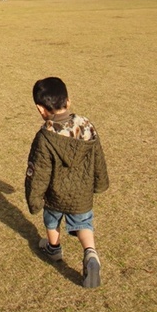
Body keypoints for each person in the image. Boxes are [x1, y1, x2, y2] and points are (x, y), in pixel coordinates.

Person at [25, 77, 109, 288]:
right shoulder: (87, 125)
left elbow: (38, 173)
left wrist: (34, 199)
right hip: (82, 194)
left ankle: (54, 248)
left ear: (40, 109)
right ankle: (90, 253)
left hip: (55, 195)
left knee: (51, 221)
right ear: (68, 101)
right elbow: (98, 156)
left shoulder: (45, 137)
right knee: (84, 223)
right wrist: (99, 183)